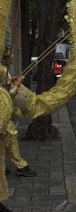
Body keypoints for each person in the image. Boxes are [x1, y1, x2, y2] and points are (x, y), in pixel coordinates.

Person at [0, 50, 37, 179]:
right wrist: (18, 83)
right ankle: (22, 167)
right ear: (4, 58)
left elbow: (4, 86)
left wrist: (13, 80)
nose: (13, 56)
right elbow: (9, 93)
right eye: (10, 55)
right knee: (11, 137)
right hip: (2, 112)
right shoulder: (2, 70)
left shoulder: (4, 69)